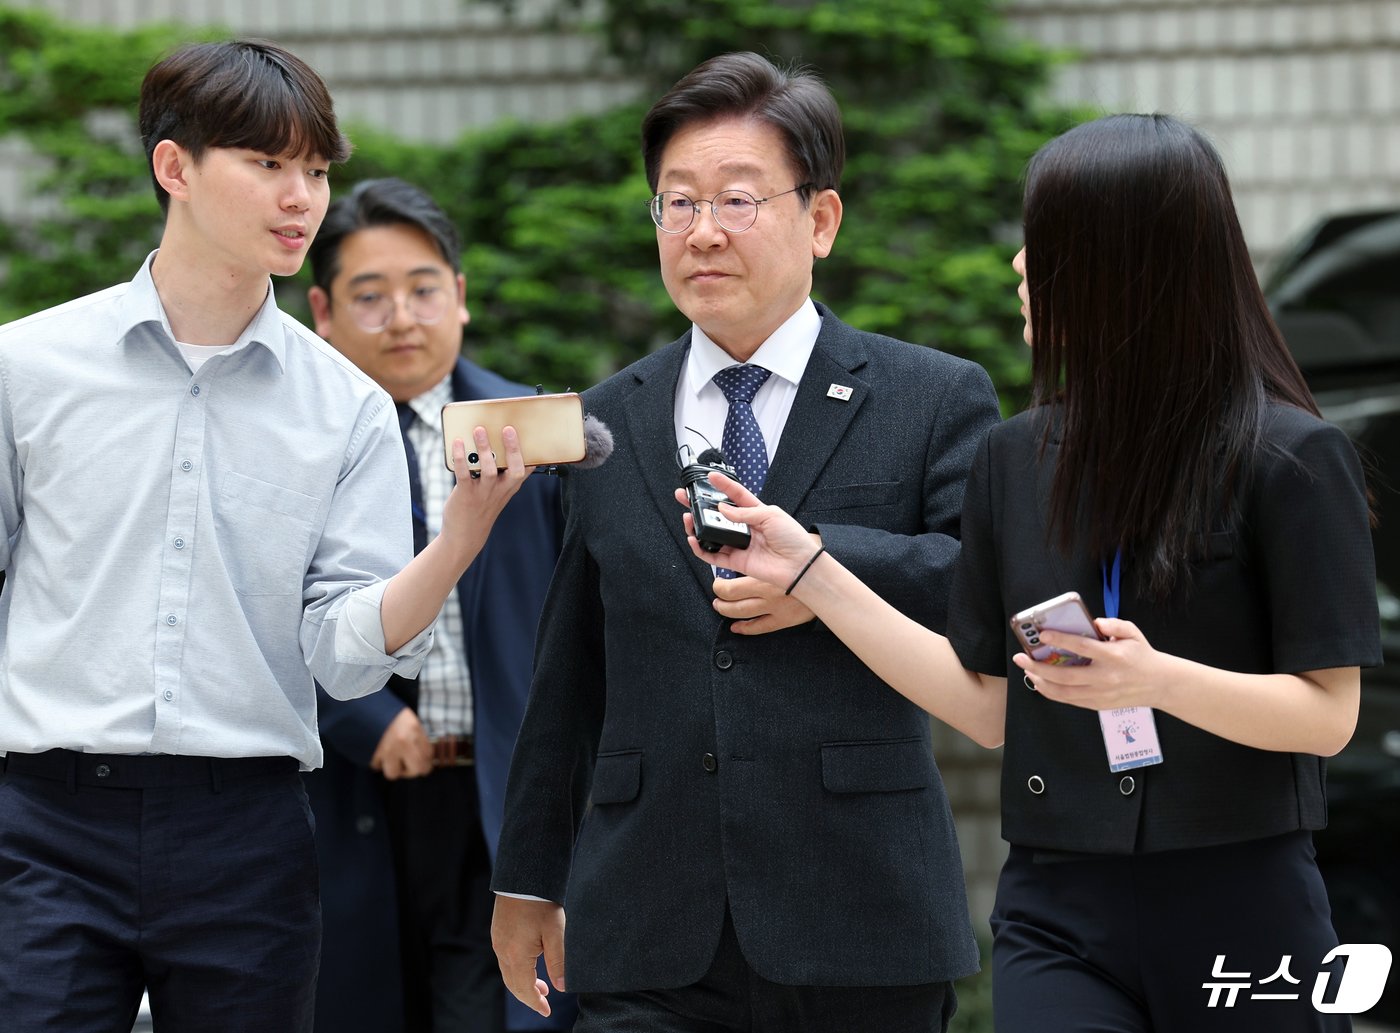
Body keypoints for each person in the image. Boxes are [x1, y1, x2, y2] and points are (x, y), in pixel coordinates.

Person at [680, 113, 1380, 1033]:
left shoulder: (1291, 458)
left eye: (1042, 241)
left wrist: (1155, 679)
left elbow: (1329, 717)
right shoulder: (1015, 457)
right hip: (1057, 907)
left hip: (1243, 903)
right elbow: (985, 705)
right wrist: (811, 566)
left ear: (1126, 264)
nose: (1018, 264)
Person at [0, 40, 530, 1032]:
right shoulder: (25, 367)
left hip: (246, 832)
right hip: (45, 820)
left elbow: (341, 654)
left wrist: (457, 538)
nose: (302, 197)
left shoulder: (347, 405)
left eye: (317, 170)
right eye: (268, 163)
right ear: (175, 168)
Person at [489, 51, 1000, 1033]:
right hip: (645, 918)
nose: (701, 231)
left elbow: (974, 582)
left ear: (820, 219)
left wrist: (819, 566)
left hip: (857, 908)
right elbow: (569, 671)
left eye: (734, 198)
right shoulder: (603, 420)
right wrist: (526, 877)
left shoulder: (930, 396)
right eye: (674, 204)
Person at [304, 177, 573, 1033]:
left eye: (423, 289)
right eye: (369, 297)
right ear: (322, 310)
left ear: (458, 295)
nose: (403, 317)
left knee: (493, 1005)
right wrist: (366, 718)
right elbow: (257, 609)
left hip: (499, 782)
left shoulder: (533, 431)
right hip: (357, 784)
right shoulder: (297, 441)